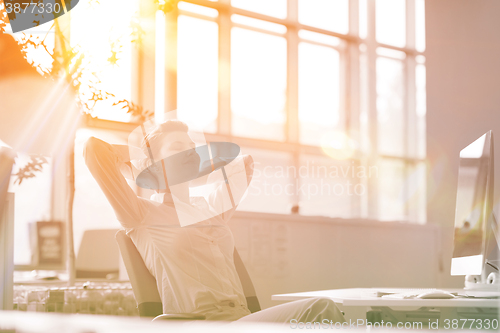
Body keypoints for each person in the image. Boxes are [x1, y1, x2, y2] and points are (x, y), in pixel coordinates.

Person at [83, 120, 346, 324]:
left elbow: (244, 164)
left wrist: (200, 159)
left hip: (240, 319)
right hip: (200, 324)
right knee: (321, 310)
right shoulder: (141, 214)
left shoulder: (210, 209)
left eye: (191, 149)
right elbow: (94, 150)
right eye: (177, 148)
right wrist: (145, 161)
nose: (187, 153)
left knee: (332, 314)